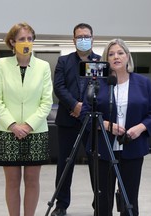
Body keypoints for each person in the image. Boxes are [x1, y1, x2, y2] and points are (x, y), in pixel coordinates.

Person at [81, 38, 151, 216]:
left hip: (132, 148)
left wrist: (139, 128)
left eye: (120, 53)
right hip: (101, 150)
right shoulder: (96, 82)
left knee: (129, 199)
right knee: (102, 200)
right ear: (105, 59)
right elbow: (85, 113)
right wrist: (106, 125)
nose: (116, 56)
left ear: (127, 56)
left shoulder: (143, 82)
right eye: (111, 54)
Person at [0, 22, 53, 216]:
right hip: (7, 131)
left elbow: (46, 101)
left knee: (33, 181)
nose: (27, 42)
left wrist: (28, 125)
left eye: (30, 39)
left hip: (36, 131)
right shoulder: (2, 64)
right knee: (12, 182)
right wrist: (13, 125)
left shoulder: (43, 66)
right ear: (12, 42)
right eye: (22, 39)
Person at [52, 23, 100, 216]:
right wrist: (75, 105)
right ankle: (61, 205)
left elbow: (100, 90)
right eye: (79, 36)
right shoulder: (64, 61)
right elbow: (59, 87)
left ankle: (99, 204)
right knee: (65, 164)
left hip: (91, 123)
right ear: (73, 39)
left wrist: (84, 108)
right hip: (68, 121)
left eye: (86, 36)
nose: (82, 39)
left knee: (96, 164)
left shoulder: (99, 61)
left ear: (92, 38)